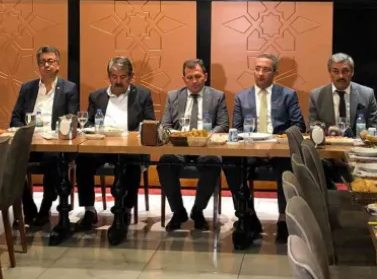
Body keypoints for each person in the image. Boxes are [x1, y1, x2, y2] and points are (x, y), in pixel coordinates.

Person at [223, 53, 306, 243]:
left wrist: (278, 140)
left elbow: (299, 125)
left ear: (275, 73)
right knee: (229, 161)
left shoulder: (288, 95)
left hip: (278, 150)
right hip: (250, 149)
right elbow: (236, 128)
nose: (260, 73)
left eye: (266, 69)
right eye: (257, 68)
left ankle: (284, 219)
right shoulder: (241, 97)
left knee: (287, 162)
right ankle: (247, 214)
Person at [75, 56, 155, 234]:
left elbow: (149, 123)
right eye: (114, 76)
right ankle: (89, 210)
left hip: (130, 148)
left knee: (132, 164)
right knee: (83, 160)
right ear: (108, 77)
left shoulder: (142, 95)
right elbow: (89, 123)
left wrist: (133, 136)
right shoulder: (96, 96)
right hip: (102, 146)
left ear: (131, 77)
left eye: (123, 77)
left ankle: (125, 210)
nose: (118, 81)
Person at [9, 46, 79, 226]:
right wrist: (26, 133)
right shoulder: (28, 88)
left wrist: (56, 135)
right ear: (38, 66)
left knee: (53, 160)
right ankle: (28, 207)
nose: (46, 65)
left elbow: (72, 119)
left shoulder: (69, 89)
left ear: (58, 65)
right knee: (12, 161)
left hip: (55, 144)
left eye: (50, 61)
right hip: (30, 142)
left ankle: (45, 207)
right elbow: (15, 118)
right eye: (42, 62)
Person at [159, 59, 228, 231]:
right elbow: (165, 125)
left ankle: (198, 211)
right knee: (165, 163)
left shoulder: (217, 96)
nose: (194, 81)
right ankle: (178, 211)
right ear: (184, 79)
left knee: (213, 162)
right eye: (189, 77)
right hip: (179, 146)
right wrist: (179, 136)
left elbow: (223, 125)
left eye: (198, 76)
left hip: (205, 146)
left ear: (205, 76)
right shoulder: (173, 96)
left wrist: (205, 136)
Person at [308, 53, 377, 133]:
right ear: (329, 72)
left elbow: (375, 128)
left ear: (352, 72)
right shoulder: (316, 96)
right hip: (329, 140)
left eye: (345, 71)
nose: (341, 76)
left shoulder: (367, 94)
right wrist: (328, 133)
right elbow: (311, 129)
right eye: (336, 71)